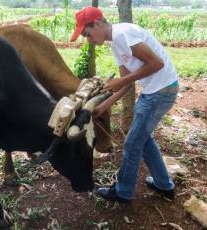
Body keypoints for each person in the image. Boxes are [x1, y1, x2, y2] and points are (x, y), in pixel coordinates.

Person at [70, 7, 179, 203]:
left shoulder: (123, 33)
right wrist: (103, 107)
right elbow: (126, 83)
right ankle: (164, 186)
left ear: (97, 24)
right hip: (154, 91)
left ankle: (123, 191)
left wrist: (120, 82)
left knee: (132, 143)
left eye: (87, 34)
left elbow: (157, 64)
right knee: (144, 140)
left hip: (161, 92)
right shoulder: (114, 43)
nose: (89, 40)